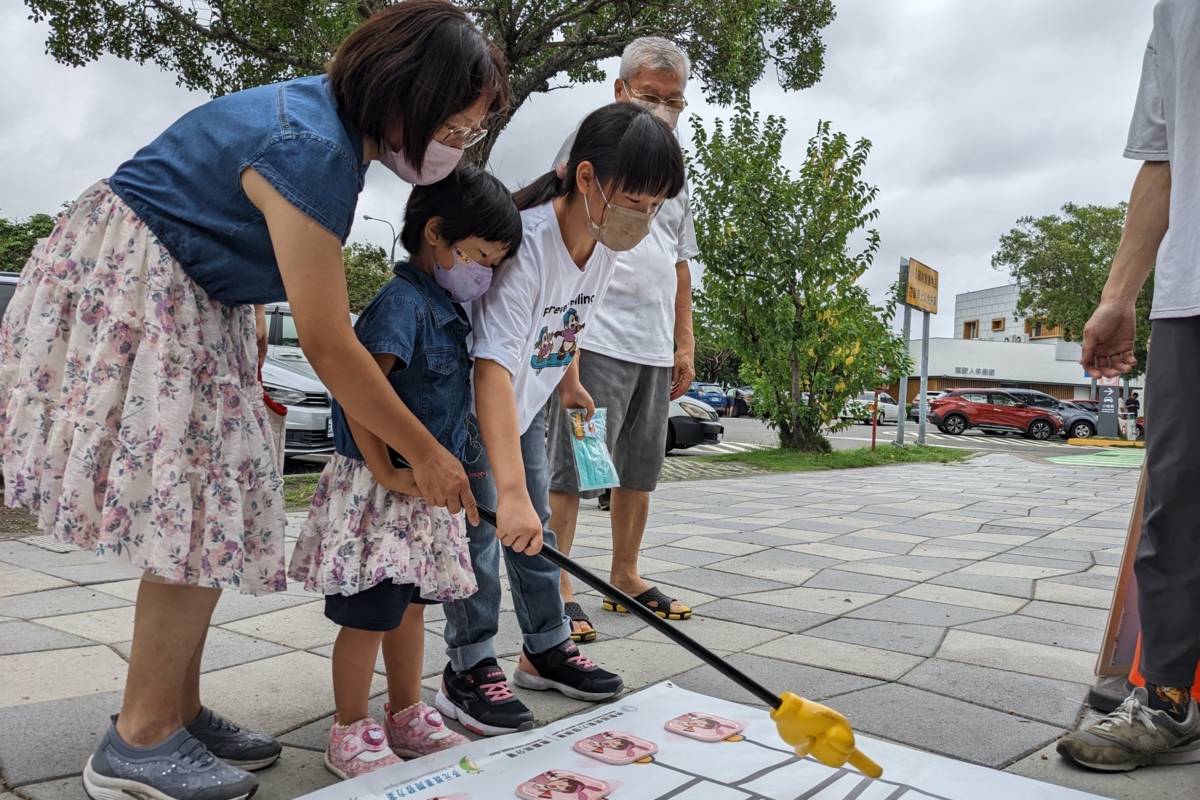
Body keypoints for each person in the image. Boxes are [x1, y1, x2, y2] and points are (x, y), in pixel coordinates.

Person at [0, 3, 507, 798]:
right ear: (407, 94)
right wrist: (435, 454)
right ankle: (138, 739)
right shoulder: (313, 150)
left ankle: (175, 706)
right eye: (457, 124)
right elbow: (332, 342)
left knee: (207, 509)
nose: (457, 144)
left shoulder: (326, 128)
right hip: (153, 286)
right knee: (192, 513)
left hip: (194, 293)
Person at [434, 103, 686, 735]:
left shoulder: (601, 245)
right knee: (486, 535)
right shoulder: (525, 245)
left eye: (655, 207)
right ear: (585, 178)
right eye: (633, 199)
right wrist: (509, 489)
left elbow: (567, 323)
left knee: (537, 532)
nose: (643, 218)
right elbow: (489, 370)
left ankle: (545, 649)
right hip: (476, 417)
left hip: (528, 404)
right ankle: (467, 668)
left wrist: (569, 383)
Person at [288, 167, 522, 778]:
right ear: (437, 235)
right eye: (480, 257)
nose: (486, 274)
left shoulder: (448, 308)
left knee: (415, 604)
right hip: (381, 490)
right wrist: (386, 470)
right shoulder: (401, 304)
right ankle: (349, 728)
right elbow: (354, 388)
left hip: (425, 490)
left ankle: (406, 711)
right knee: (370, 611)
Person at [1057, 0, 1200, 772]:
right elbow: (1165, 155)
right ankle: (1169, 699)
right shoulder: (1175, 10)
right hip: (1193, 292)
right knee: (1177, 503)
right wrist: (1120, 292)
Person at [546, 38, 699, 641]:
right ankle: (557, 585)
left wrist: (683, 342)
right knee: (572, 471)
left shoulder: (674, 168)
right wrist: (569, 348)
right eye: (649, 96)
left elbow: (681, 261)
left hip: (653, 347)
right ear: (620, 91)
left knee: (640, 469)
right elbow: (562, 243)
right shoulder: (595, 143)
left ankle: (625, 575)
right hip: (597, 338)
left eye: (674, 100)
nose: (663, 109)